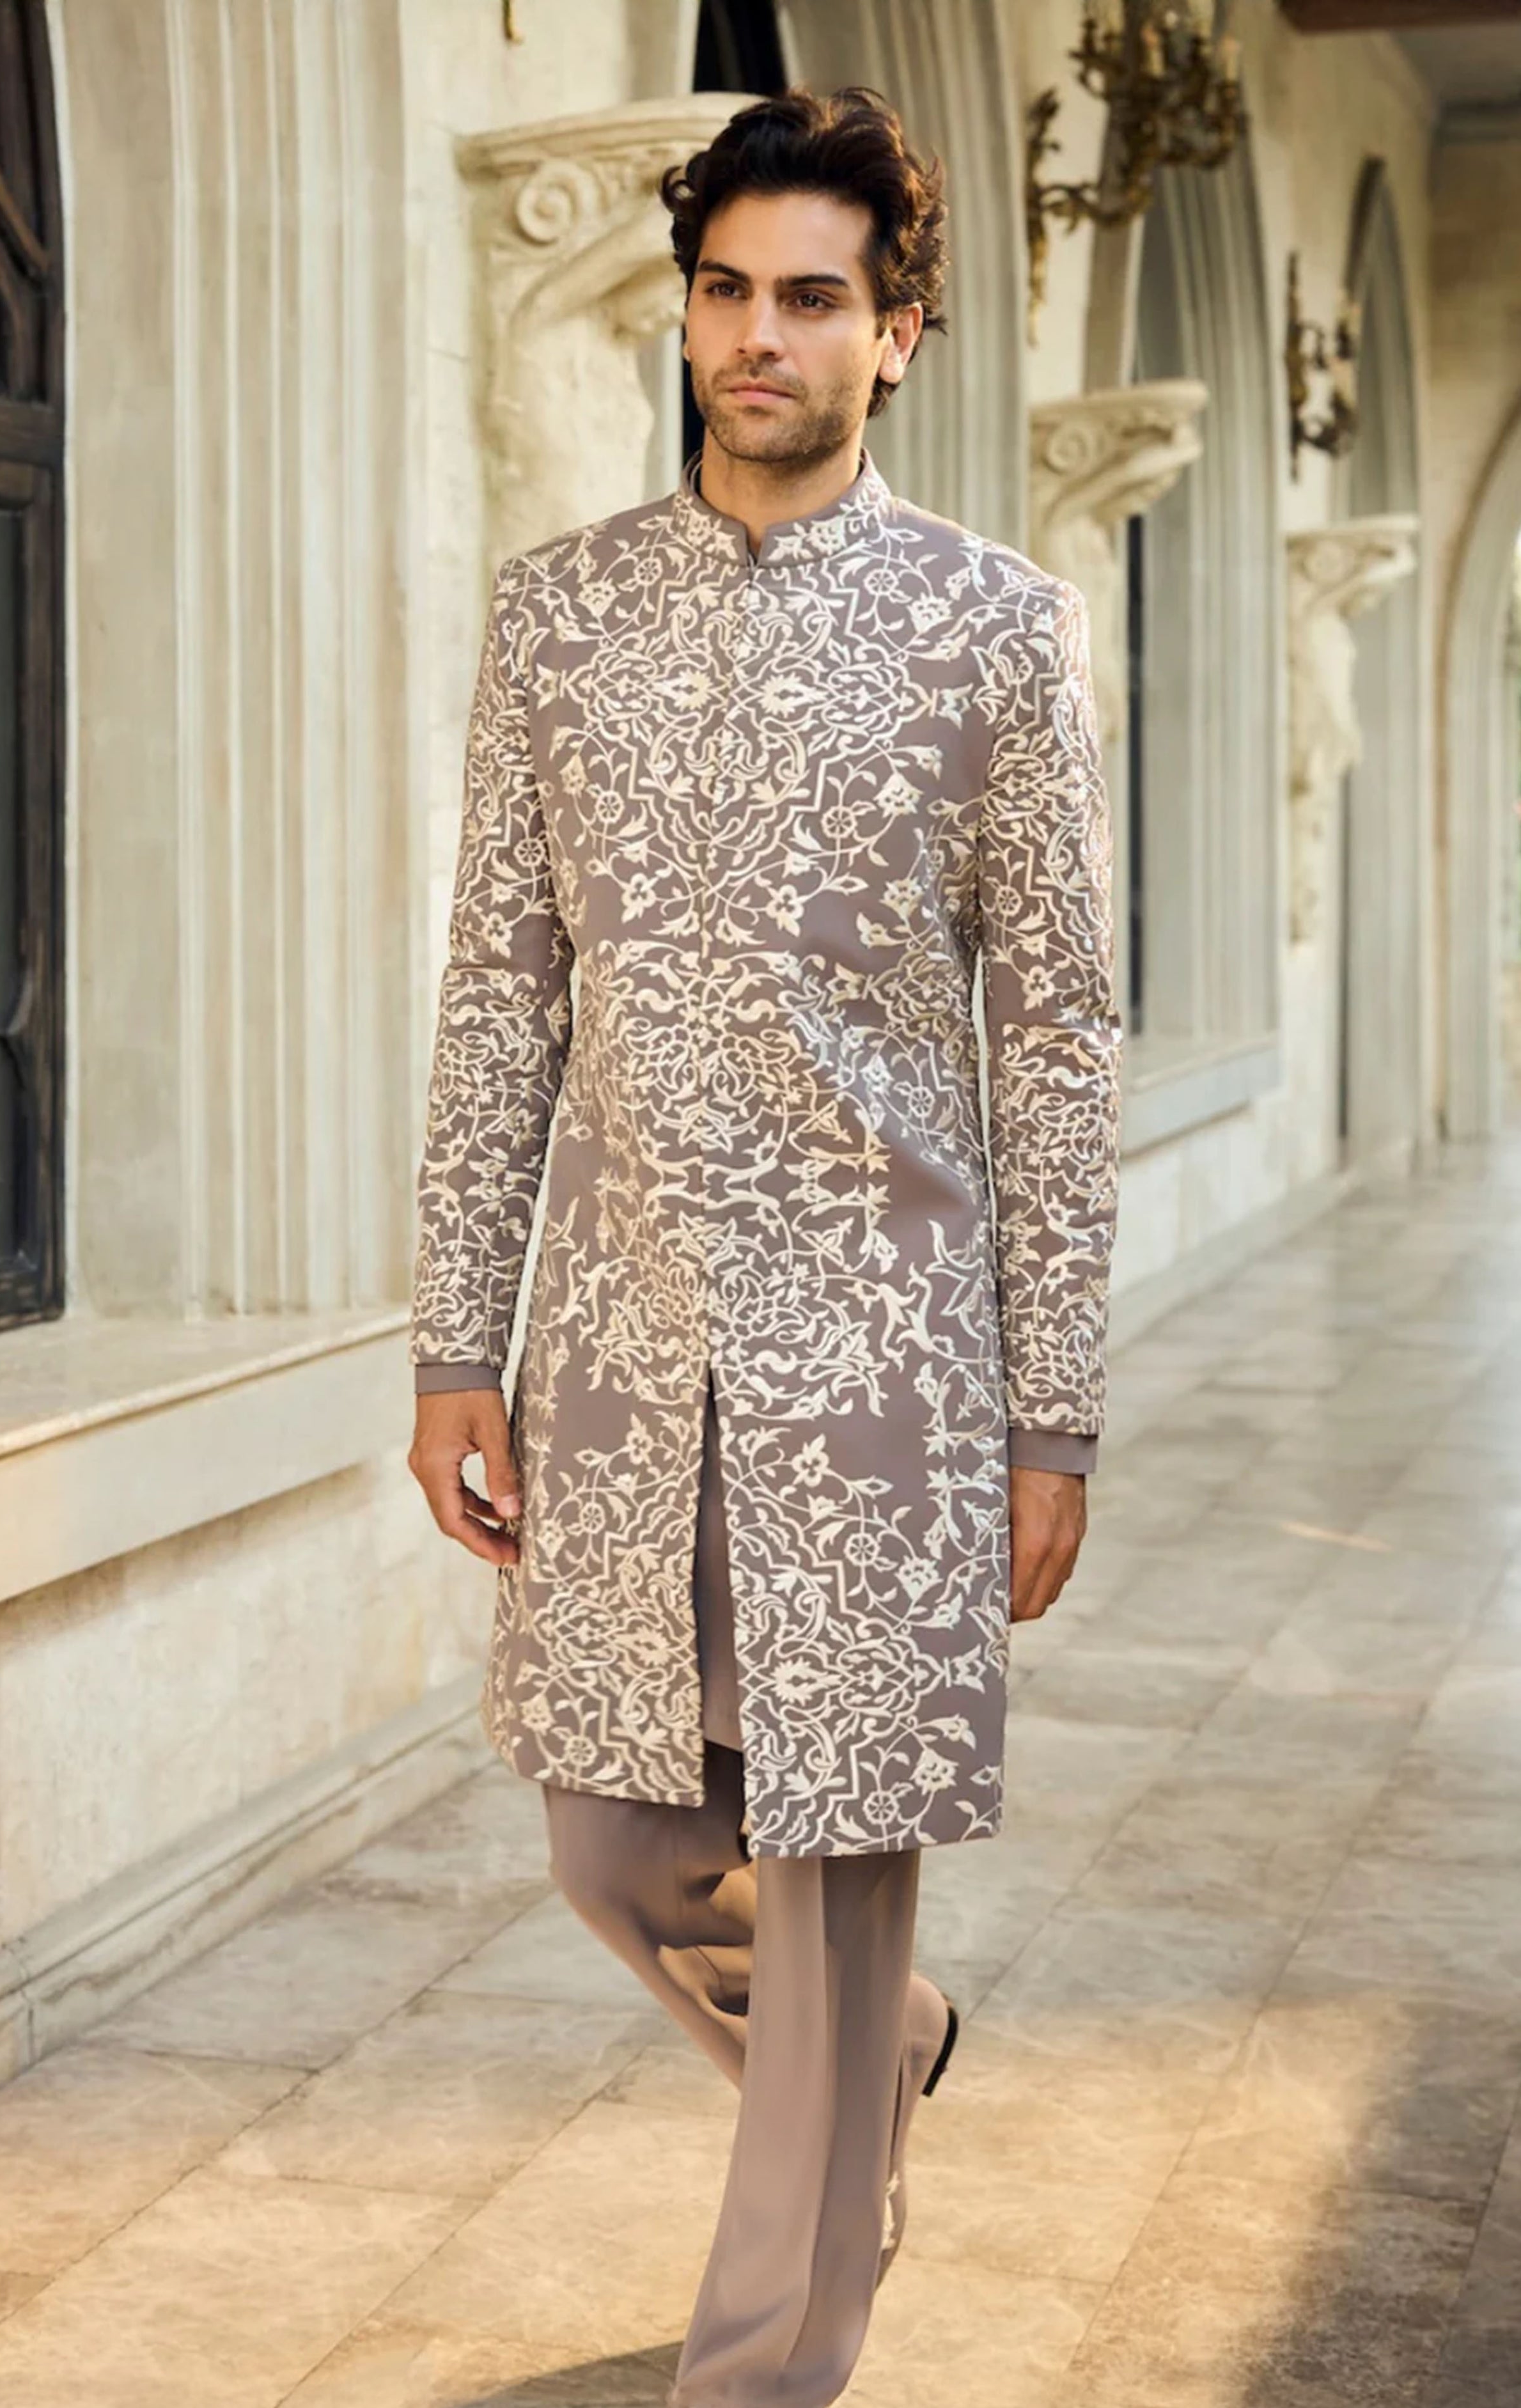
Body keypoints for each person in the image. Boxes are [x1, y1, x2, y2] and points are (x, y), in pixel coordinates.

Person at [407, 82, 1121, 2408]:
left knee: (827, 1870)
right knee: (614, 1849)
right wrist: (455, 1341)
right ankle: (878, 2056)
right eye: (726, 291)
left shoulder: (995, 630)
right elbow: (500, 992)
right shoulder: (563, 616)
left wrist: (1051, 1408)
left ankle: (768, 2361)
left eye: (812, 299)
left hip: (885, 1365)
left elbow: (1059, 1042)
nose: (757, 338)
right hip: (623, 1351)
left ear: (897, 332)